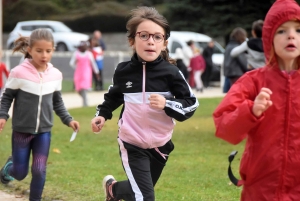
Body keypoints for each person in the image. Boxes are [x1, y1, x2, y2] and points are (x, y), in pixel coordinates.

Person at [91, 6, 199, 201]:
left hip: (160, 144)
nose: (151, 41)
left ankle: (113, 191)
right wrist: (102, 114)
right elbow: (115, 95)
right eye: (144, 35)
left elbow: (191, 104)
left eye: (157, 37)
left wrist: (167, 103)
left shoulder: (172, 73)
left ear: (164, 44)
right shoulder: (123, 71)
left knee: (137, 192)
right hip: (132, 142)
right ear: (132, 40)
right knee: (145, 197)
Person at [213, 0, 300, 200]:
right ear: (268, 37)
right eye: (281, 31)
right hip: (261, 189)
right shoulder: (253, 81)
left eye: (298, 29)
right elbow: (224, 126)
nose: (291, 35)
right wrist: (250, 111)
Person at [0, 28, 80, 201]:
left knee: (39, 170)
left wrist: (68, 120)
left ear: (53, 50)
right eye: (39, 51)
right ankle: (9, 167)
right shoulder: (18, 73)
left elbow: (57, 102)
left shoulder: (55, 75)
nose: (44, 55)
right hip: (21, 131)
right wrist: (2, 116)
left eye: (48, 51)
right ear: (29, 50)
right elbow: (6, 97)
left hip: (44, 132)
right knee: (20, 173)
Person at [69, 40, 99, 107]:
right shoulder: (76, 54)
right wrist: (77, 67)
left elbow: (93, 64)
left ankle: (85, 104)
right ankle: (85, 98)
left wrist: (96, 72)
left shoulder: (89, 54)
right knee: (79, 89)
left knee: (84, 87)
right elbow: (71, 63)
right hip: (78, 73)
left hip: (86, 73)